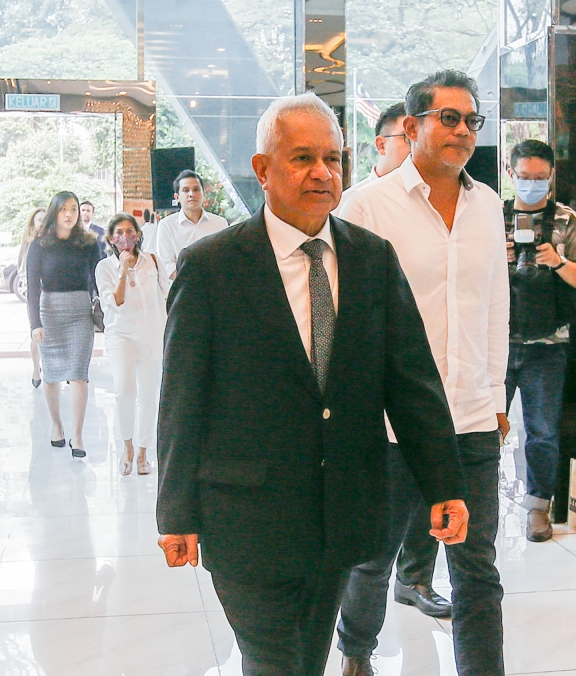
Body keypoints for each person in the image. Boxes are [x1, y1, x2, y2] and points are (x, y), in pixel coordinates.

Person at [155, 92, 469, 676]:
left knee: (305, 657)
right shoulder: (212, 267)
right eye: (302, 158)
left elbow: (412, 383)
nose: (322, 173)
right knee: (274, 661)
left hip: (339, 512)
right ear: (263, 170)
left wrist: (443, 483)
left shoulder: (372, 258)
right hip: (247, 516)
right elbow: (181, 400)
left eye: (333, 157)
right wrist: (176, 512)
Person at [337, 70, 508, 676]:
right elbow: (349, 321)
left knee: (477, 565)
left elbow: (495, 307)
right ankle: (356, 650)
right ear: (411, 127)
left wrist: (495, 395)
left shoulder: (488, 206)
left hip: (470, 416)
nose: (463, 132)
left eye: (471, 121)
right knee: (373, 556)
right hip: (392, 423)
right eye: (449, 118)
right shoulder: (367, 206)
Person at [504, 139, 576, 543]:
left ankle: (538, 508)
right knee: (481, 428)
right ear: (510, 175)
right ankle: (475, 504)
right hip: (496, 341)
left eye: (540, 179)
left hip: (549, 342)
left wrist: (556, 261)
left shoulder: (565, 220)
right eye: (525, 178)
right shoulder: (490, 216)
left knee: (542, 430)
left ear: (552, 176)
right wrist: (498, 257)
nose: (532, 186)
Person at [26, 192, 100, 459]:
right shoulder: (40, 244)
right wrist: (35, 323)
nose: (69, 214)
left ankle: (77, 435)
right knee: (53, 373)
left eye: (74, 209)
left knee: (79, 373)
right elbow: (33, 287)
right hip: (50, 310)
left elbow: (98, 277)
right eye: (64, 209)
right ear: (54, 212)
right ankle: (57, 425)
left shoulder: (89, 243)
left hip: (80, 310)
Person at [96, 213, 167, 476]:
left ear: (138, 234)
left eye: (129, 231)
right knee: (124, 391)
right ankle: (126, 447)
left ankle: (143, 453)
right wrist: (123, 271)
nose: (125, 237)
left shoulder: (153, 262)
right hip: (120, 335)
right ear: (112, 239)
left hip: (151, 334)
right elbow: (115, 302)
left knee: (148, 397)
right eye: (118, 233)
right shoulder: (104, 267)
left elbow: (167, 296)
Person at [154, 170, 228, 282]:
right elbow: (166, 264)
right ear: (177, 197)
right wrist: (193, 281)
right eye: (185, 190)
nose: (191, 194)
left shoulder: (220, 224)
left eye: (196, 189)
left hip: (215, 288)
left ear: (204, 193)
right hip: (182, 289)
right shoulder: (167, 226)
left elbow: (225, 259)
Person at [337, 102, 409, 209]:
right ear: (381, 145)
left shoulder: (431, 199)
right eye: (407, 138)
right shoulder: (348, 204)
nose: (418, 146)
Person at [18, 207, 46, 388]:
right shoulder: (29, 244)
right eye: (38, 220)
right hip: (36, 295)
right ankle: (36, 368)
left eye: (45, 219)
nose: (42, 223)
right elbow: (22, 271)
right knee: (36, 333)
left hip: (53, 294)